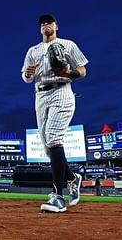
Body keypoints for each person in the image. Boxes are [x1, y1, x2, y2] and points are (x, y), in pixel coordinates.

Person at [21, 13, 88, 213]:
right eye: (42, 23)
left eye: (49, 22)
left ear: (56, 26)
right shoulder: (33, 50)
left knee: (53, 138)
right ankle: (72, 178)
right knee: (48, 148)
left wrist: (68, 73)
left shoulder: (68, 45)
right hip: (40, 95)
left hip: (62, 91)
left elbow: (82, 72)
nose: (45, 25)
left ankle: (58, 196)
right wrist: (28, 73)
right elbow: (25, 77)